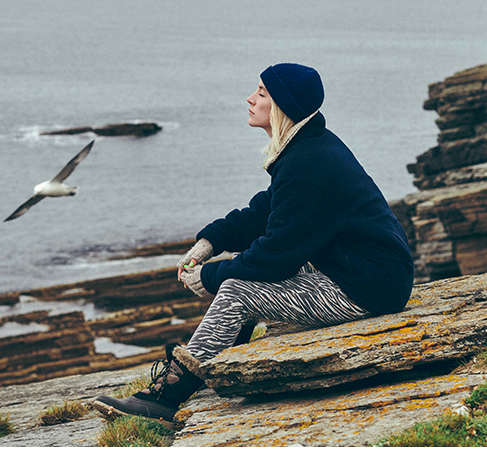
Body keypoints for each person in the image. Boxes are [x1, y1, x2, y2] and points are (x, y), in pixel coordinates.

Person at [92, 63, 414, 428]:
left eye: (261, 93)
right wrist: (210, 243)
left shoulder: (309, 162)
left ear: (281, 106)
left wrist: (211, 277)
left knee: (237, 290)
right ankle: (224, 361)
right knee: (242, 273)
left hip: (366, 287)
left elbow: (275, 256)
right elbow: (264, 211)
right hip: (362, 270)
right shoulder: (307, 147)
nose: (250, 98)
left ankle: (167, 399)